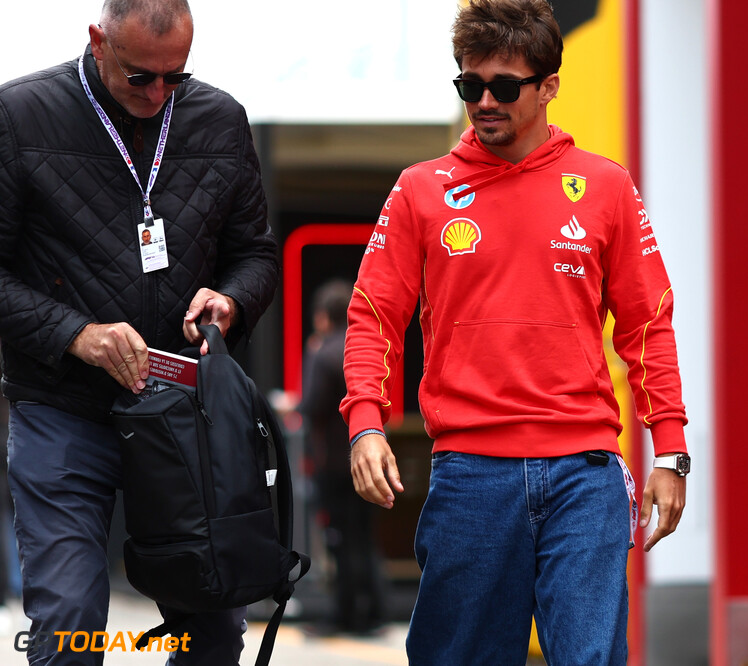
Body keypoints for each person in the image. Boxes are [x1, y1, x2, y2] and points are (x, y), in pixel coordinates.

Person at [341, 1, 689, 663]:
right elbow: (373, 317)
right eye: (469, 86)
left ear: (549, 86)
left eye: (504, 86)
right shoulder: (420, 190)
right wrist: (365, 422)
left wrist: (668, 451)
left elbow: (648, 324)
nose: (484, 101)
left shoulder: (606, 186)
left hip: (584, 473)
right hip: (470, 476)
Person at [0, 1, 278, 663]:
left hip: (188, 413)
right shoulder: (19, 116)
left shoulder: (220, 119)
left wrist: (231, 301)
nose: (157, 93)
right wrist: (78, 335)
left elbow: (257, 255)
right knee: (70, 627)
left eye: (174, 77)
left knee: (212, 627)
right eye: (139, 77)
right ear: (97, 41)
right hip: (63, 408)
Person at [300, 280, 383, 635]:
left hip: (336, 462)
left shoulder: (323, 351)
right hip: (370, 456)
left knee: (340, 539)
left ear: (321, 317)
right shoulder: (357, 351)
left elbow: (312, 406)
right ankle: (375, 610)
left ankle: (347, 614)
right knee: (364, 538)